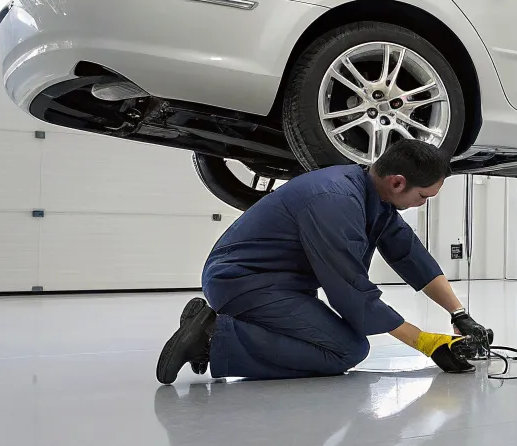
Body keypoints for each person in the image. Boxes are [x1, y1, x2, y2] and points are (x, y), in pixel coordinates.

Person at [156, 139, 494, 383]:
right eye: (423, 196)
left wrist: (459, 314)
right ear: (398, 182)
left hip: (275, 284)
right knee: (345, 351)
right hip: (244, 282)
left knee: (343, 342)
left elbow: (410, 255)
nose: (423, 204)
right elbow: (351, 291)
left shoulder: (370, 196)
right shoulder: (334, 200)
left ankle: (211, 326)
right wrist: (425, 343)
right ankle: (212, 337)